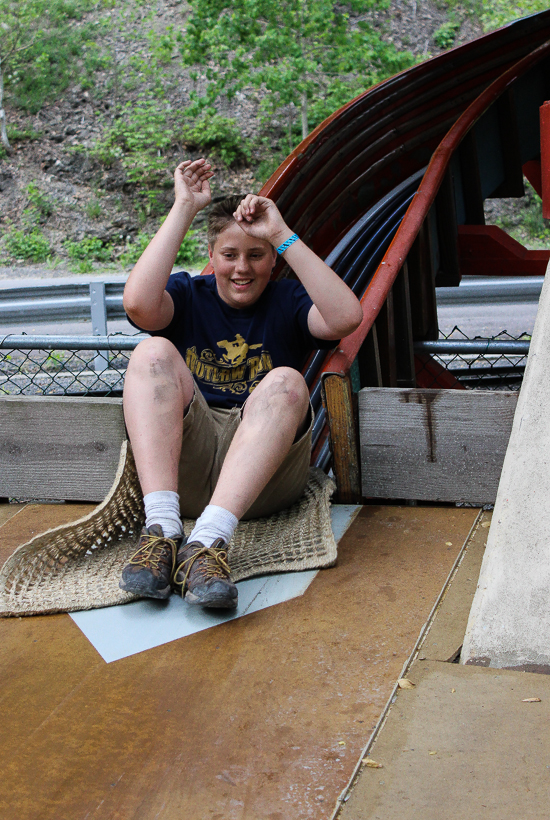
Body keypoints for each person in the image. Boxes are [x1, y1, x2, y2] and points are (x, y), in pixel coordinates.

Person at [119, 157, 363, 610]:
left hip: (262, 480)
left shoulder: (288, 299)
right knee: (151, 352)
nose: (241, 269)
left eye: (256, 255)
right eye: (229, 255)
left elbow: (346, 317)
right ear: (211, 256)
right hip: (186, 467)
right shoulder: (188, 294)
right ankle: (162, 531)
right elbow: (137, 305)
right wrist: (184, 208)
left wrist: (281, 232)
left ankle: (208, 542)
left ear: (274, 259)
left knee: (287, 381)